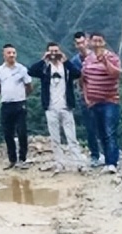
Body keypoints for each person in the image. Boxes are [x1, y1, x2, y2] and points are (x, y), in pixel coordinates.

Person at [28, 42, 87, 173]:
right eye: (51, 51)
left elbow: (77, 74)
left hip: (66, 106)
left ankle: (79, 163)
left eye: (56, 51)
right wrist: (44, 59)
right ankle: (59, 163)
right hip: (50, 107)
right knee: (55, 138)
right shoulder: (45, 68)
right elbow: (31, 71)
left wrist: (65, 61)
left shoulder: (65, 67)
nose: (54, 54)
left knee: (71, 137)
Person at [80, 32, 122, 174]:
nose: (97, 44)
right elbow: (84, 80)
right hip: (94, 102)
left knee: (110, 131)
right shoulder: (87, 60)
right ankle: (107, 158)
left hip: (110, 100)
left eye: (100, 41)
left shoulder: (112, 57)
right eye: (94, 41)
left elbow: (117, 74)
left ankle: (112, 162)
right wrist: (87, 98)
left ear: (104, 42)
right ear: (90, 43)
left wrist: (105, 62)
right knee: (101, 132)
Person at [0, 44, 32, 170]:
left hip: (20, 103)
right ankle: (12, 159)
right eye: (9, 53)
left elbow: (29, 85)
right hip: (6, 104)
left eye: (13, 53)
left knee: (22, 132)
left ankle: (22, 159)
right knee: (8, 133)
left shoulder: (22, 69)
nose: (11, 55)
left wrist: (21, 96)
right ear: (4, 55)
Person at [69, 32, 101, 167]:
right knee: (90, 128)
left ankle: (109, 153)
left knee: (104, 126)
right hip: (85, 97)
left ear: (87, 41)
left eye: (82, 42)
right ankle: (95, 155)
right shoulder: (74, 62)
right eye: (78, 43)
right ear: (75, 45)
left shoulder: (97, 57)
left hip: (100, 95)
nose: (81, 45)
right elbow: (76, 81)